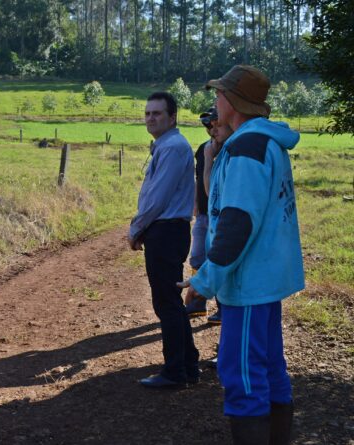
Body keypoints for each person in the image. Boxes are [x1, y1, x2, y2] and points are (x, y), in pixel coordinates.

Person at [179, 65, 303, 445]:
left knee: (242, 374)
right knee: (268, 367)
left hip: (248, 284)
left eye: (219, 95)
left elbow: (237, 224)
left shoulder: (248, 148)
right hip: (264, 280)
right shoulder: (263, 142)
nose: (215, 103)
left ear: (232, 102)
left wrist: (204, 281)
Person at [129, 91, 199, 389]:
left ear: (173, 118)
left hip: (167, 231)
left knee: (166, 303)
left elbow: (158, 197)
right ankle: (188, 365)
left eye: (157, 113)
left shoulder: (171, 147)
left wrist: (136, 228)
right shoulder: (168, 145)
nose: (150, 118)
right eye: (147, 113)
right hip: (169, 231)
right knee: (170, 300)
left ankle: (175, 372)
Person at [185, 107, 223, 326]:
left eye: (213, 122)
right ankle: (198, 302)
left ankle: (222, 307)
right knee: (198, 257)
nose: (210, 128)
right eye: (207, 124)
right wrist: (196, 204)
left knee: (219, 258)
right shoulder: (203, 149)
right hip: (203, 213)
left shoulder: (227, 149)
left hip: (220, 214)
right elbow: (199, 179)